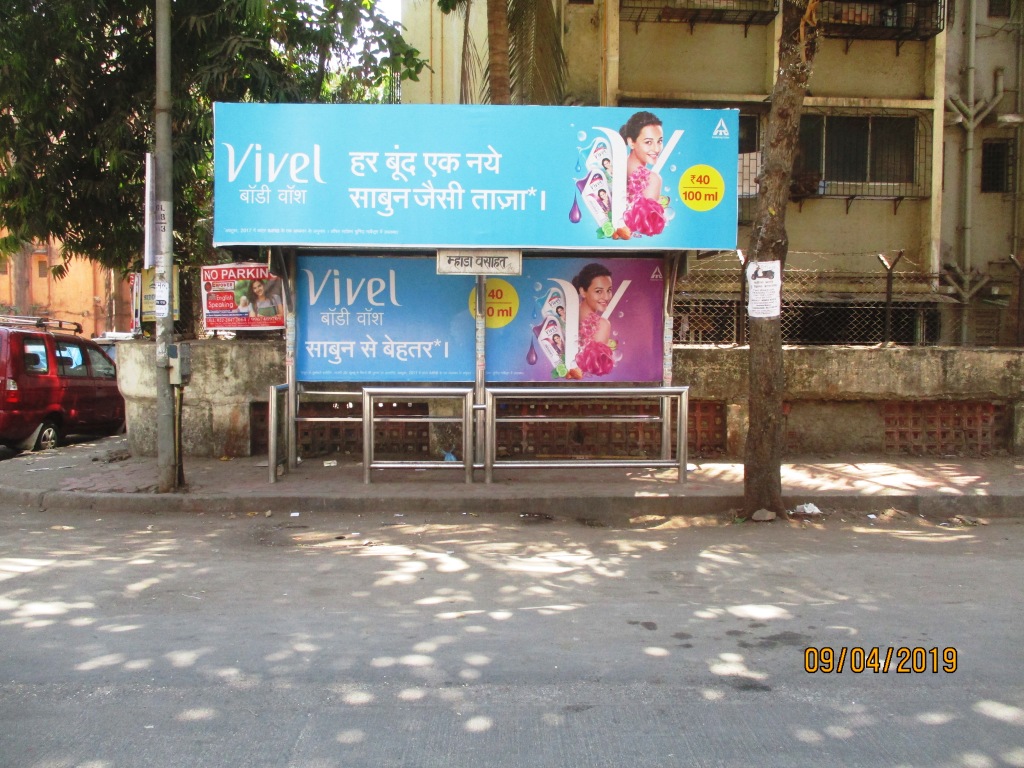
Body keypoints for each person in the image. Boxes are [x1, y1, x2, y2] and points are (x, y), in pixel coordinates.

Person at [620, 110, 666, 237]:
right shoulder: (652, 180)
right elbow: (648, 228)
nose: (656, 149)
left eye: (660, 141)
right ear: (631, 142)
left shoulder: (614, 166)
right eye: (648, 142)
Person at [571, 262, 615, 376]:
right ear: (582, 292)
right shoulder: (603, 325)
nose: (606, 297)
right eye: (598, 291)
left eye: (609, 290)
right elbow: (596, 369)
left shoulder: (567, 312)